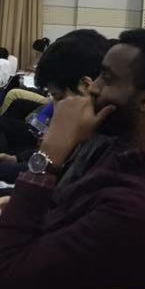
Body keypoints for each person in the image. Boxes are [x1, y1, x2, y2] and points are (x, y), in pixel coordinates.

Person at [0, 29, 145, 289]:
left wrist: (49, 154)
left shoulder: (140, 209)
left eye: (106, 79)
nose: (93, 88)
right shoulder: (131, 145)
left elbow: (6, 271)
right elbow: (62, 205)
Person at [0, 30, 113, 189]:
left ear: (86, 86)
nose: (54, 106)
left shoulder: (104, 147)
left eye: (57, 96)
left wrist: (49, 157)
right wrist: (17, 159)